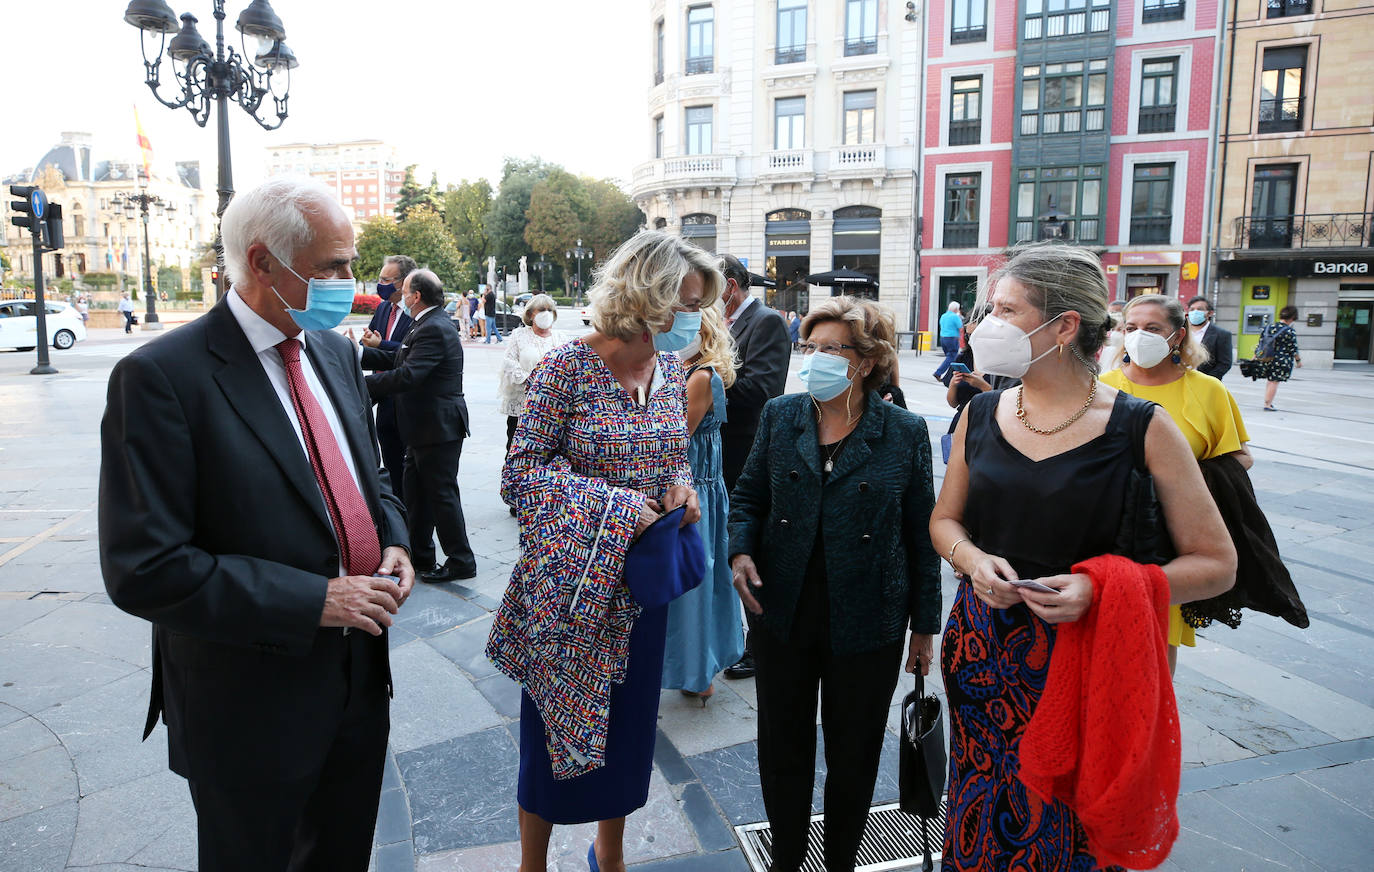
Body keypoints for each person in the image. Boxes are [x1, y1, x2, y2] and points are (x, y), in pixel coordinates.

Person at [98, 177, 413, 871]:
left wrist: (393, 538)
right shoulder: (161, 378)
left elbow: (373, 475)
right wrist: (314, 600)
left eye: (352, 263)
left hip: (359, 683)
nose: (351, 283)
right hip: (248, 707)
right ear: (265, 262)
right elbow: (142, 568)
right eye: (333, 267)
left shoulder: (333, 351)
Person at [929, 244, 1236, 872]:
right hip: (983, 653)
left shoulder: (1141, 426)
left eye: (1006, 310)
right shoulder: (980, 413)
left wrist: (1101, 588)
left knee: (1069, 829)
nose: (987, 324)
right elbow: (944, 520)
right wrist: (971, 558)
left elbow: (1217, 564)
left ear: (1064, 325)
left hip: (1088, 660)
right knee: (980, 804)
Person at [486, 230, 712, 872]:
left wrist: (681, 492)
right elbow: (521, 474)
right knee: (555, 730)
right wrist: (617, 508)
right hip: (570, 591)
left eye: (699, 304)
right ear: (647, 296)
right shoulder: (566, 365)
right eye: (686, 302)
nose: (693, 318)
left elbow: (672, 457)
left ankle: (607, 854)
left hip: (640, 589)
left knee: (627, 732)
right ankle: (533, 862)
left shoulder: (669, 369)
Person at [728, 296, 941, 872]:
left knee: (854, 750)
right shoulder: (782, 414)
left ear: (867, 361)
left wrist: (925, 627)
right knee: (782, 745)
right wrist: (741, 549)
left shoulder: (903, 431)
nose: (814, 358)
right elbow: (749, 495)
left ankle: (842, 860)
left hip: (868, 613)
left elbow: (923, 533)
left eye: (830, 349)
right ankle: (786, 858)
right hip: (783, 607)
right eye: (809, 346)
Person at [1101, 293, 1251, 673]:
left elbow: (1239, 457)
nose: (1139, 336)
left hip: (1171, 541)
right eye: (1131, 328)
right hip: (1106, 533)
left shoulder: (1207, 390)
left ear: (1178, 336)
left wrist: (1184, 479)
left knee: (1156, 650)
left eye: (1153, 328)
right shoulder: (1102, 385)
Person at [363, 269, 478, 584]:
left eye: (403, 289)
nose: (398, 293)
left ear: (415, 296)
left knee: (441, 495)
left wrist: (362, 386)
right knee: (416, 495)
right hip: (422, 428)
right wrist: (357, 355)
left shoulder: (434, 327)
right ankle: (421, 555)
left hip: (438, 428)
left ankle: (461, 560)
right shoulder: (426, 323)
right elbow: (399, 360)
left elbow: (409, 375)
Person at [662, 306, 745, 701]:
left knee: (695, 580)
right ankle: (697, 668)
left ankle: (698, 672)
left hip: (696, 487)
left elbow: (679, 435)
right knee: (700, 577)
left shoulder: (701, 376)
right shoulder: (693, 370)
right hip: (702, 486)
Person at [717, 253, 791, 681]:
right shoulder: (722, 323)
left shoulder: (766, 321)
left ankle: (758, 643)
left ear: (730, 285)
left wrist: (705, 376)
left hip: (746, 451)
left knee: (748, 545)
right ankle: (729, 635)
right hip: (718, 450)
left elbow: (761, 389)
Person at [354, 255, 416, 500]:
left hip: (404, 397)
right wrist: (359, 345)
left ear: (402, 283)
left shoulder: (415, 312)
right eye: (380, 278)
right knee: (388, 463)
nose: (380, 284)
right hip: (381, 397)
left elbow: (411, 350)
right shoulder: (382, 308)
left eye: (385, 279)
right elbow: (372, 342)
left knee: (407, 469)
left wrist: (381, 344)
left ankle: (412, 523)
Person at [498, 293, 564, 455]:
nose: (546, 313)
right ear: (530, 314)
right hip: (523, 405)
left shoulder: (560, 338)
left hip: (550, 408)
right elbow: (508, 363)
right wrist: (531, 380)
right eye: (541, 310)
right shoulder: (519, 335)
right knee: (515, 450)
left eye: (549, 310)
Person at [1255, 305, 1301, 411]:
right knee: (1274, 381)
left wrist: (1255, 357)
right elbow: (1293, 348)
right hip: (1281, 360)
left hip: (1267, 357)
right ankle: (1268, 404)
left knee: (1270, 380)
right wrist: (1298, 361)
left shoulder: (1268, 327)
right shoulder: (1290, 331)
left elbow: (1261, 343)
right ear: (1293, 317)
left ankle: (1267, 401)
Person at [1186, 296, 1233, 380]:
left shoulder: (1221, 334)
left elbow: (1225, 363)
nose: (1195, 312)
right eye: (1192, 309)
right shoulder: (1181, 332)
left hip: (1204, 382)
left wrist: (1207, 381)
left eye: (1200, 309)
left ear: (1210, 313)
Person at [932, 300, 964, 382]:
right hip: (952, 338)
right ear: (956, 309)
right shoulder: (955, 317)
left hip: (943, 338)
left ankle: (950, 375)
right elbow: (961, 327)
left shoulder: (943, 316)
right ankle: (938, 372)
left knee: (950, 358)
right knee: (951, 357)